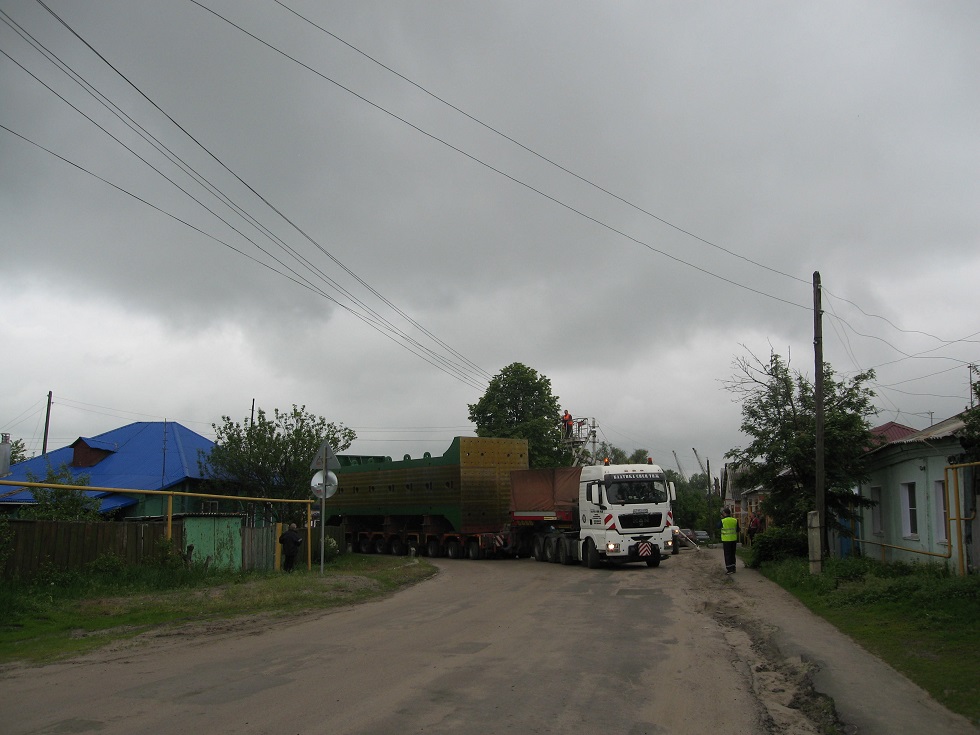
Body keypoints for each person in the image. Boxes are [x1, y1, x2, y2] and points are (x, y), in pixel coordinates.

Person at [719, 507, 739, 574]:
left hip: (726, 540)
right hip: (733, 539)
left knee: (727, 554)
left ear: (724, 513)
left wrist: (722, 518)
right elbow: (738, 529)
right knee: (733, 554)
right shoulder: (735, 520)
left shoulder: (723, 521)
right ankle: (733, 568)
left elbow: (717, 526)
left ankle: (729, 569)